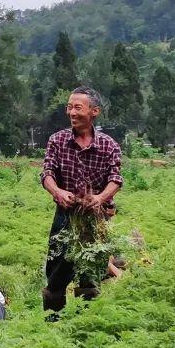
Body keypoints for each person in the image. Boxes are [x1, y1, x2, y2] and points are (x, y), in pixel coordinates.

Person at [39, 86, 123, 312]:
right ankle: (53, 324)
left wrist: (100, 197)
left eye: (78, 107)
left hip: (96, 218)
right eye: (69, 107)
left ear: (94, 111)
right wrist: (58, 192)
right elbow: (47, 174)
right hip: (65, 216)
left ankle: (86, 325)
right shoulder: (57, 140)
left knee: (91, 273)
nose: (71, 112)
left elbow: (115, 178)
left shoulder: (108, 145)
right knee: (57, 272)